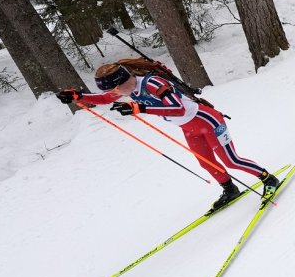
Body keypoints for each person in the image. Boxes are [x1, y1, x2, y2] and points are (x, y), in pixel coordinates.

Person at [56, 61, 280, 211]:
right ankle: (230, 190)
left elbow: (178, 109)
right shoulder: (125, 88)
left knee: (230, 160)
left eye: (116, 89)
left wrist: (140, 109)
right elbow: (105, 98)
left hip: (207, 120)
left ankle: (269, 179)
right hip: (190, 128)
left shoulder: (154, 83)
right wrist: (79, 95)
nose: (114, 94)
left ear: (125, 80)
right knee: (206, 163)